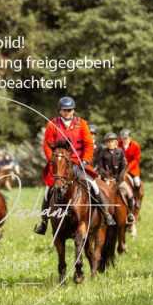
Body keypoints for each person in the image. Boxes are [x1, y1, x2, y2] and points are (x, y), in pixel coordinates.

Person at [34, 96, 116, 235]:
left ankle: (106, 214)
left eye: (70, 110)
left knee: (94, 185)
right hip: (60, 166)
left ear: (73, 110)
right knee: (48, 190)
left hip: (78, 163)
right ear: (60, 111)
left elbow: (89, 144)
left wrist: (85, 160)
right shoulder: (52, 124)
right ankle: (44, 222)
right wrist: (53, 160)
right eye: (64, 110)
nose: (67, 112)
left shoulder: (81, 124)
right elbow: (47, 145)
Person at [97, 132, 135, 224]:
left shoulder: (120, 152)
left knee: (129, 193)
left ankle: (130, 213)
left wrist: (119, 178)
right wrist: (105, 176)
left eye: (112, 141)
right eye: (108, 142)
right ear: (106, 143)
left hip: (118, 180)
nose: (110, 143)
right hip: (106, 180)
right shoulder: (103, 153)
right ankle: (103, 214)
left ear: (116, 142)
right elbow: (100, 167)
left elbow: (123, 166)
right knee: (98, 193)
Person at [117, 128, 142, 213]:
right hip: (121, 168)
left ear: (130, 138)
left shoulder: (135, 145)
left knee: (137, 182)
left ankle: (137, 199)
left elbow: (136, 160)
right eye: (123, 138)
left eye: (126, 138)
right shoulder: (118, 144)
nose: (124, 140)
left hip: (132, 168)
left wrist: (127, 169)